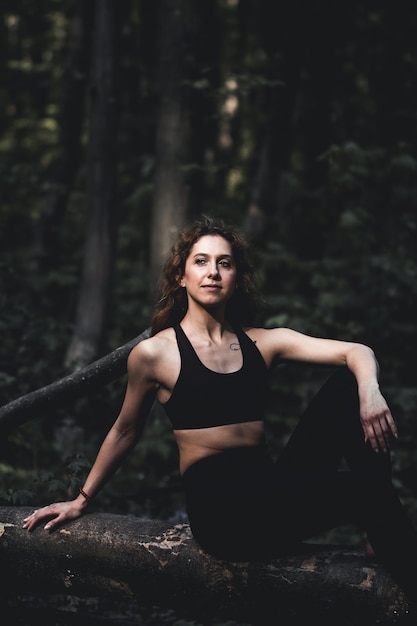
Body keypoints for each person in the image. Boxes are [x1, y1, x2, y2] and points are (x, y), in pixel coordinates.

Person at [23, 216, 417, 603]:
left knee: (349, 384)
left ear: (236, 278)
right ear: (182, 277)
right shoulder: (155, 354)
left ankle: (377, 536)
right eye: (201, 261)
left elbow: (356, 351)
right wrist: (81, 499)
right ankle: (386, 534)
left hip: (271, 488)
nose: (213, 272)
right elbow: (125, 430)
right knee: (369, 488)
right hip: (224, 514)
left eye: (223, 263)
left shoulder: (262, 342)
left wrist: (370, 392)